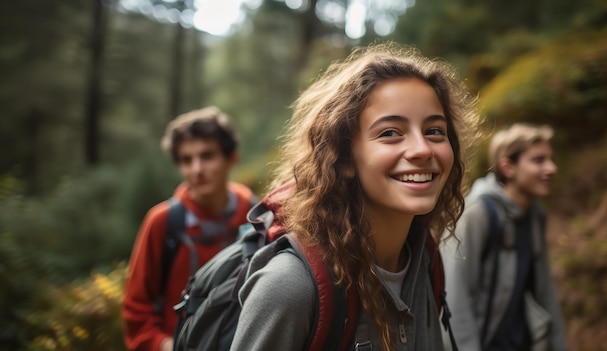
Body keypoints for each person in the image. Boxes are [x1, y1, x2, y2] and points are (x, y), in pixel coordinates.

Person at [229, 42, 481, 351]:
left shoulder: (424, 260)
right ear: (344, 158)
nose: (422, 149)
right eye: (390, 133)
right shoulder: (290, 286)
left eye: (434, 131)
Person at [122, 106, 258, 351]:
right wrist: (170, 346)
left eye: (207, 156)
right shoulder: (163, 221)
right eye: (186, 160)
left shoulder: (256, 215)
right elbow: (136, 310)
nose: (197, 169)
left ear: (231, 158)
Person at [441, 123, 569, 351]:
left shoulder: (534, 215)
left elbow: (544, 292)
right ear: (508, 167)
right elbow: (454, 299)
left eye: (551, 159)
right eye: (538, 160)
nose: (552, 168)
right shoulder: (476, 215)